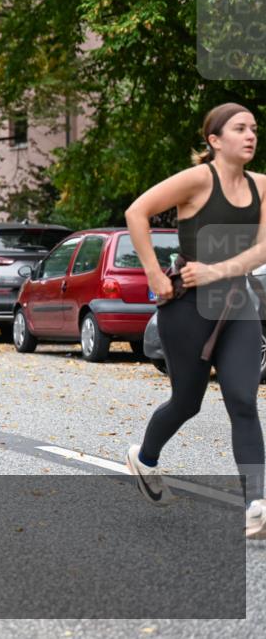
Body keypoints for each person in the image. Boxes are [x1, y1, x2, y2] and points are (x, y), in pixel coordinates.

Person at [124, 103, 266, 539]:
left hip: (237, 303)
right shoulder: (198, 180)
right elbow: (136, 213)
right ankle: (144, 458)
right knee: (188, 401)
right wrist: (152, 274)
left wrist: (218, 271)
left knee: (243, 398)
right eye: (239, 128)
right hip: (187, 306)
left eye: (254, 129)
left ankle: (257, 505)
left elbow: (262, 249)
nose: (250, 135)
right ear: (214, 140)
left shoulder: (263, 186)